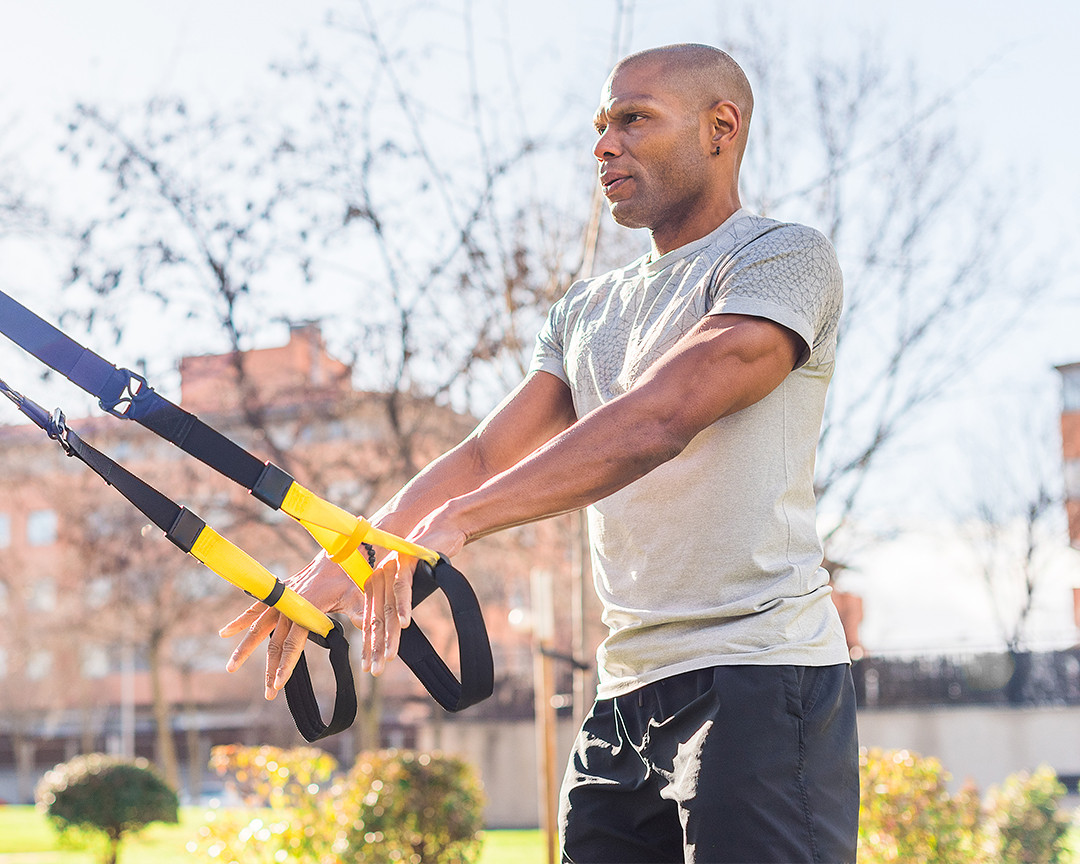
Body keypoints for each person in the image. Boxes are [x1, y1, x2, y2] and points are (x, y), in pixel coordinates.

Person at [222, 43, 860, 863]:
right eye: (600, 125)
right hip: (624, 697)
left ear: (721, 128)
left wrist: (459, 524)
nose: (604, 145)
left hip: (759, 679)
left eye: (633, 120)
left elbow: (657, 420)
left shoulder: (780, 259)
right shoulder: (588, 308)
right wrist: (345, 559)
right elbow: (487, 454)